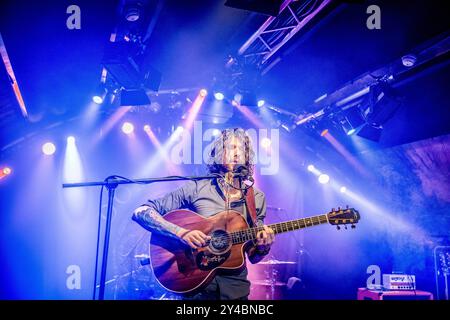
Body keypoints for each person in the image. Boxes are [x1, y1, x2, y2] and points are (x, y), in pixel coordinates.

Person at [132, 127, 274, 300]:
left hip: (236, 292)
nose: (237, 153)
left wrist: (263, 247)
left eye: (242, 149)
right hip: (196, 288)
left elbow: (253, 257)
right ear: (218, 153)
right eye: (231, 147)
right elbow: (141, 211)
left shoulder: (256, 197)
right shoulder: (197, 187)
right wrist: (181, 232)